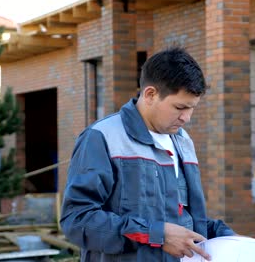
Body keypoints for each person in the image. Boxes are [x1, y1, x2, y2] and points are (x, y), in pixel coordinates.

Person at [60, 47, 236, 262]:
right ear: (150, 94)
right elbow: (77, 220)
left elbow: (182, 219)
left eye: (192, 108)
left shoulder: (183, 142)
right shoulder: (102, 137)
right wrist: (157, 235)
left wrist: (226, 238)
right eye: (180, 107)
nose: (186, 118)